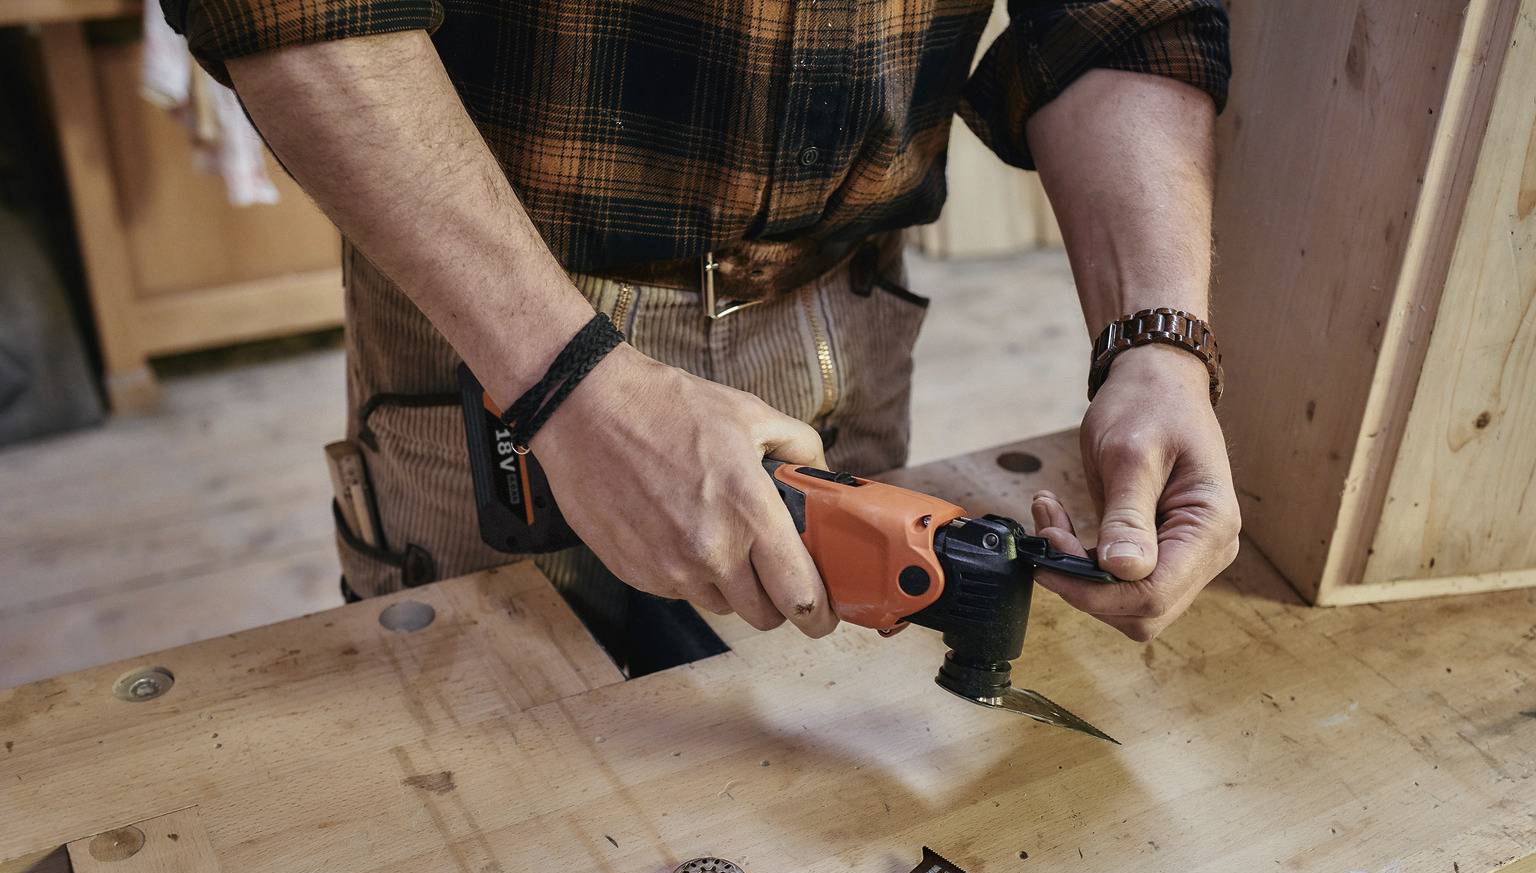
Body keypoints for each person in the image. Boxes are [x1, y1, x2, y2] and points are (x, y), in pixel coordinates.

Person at [162, 0, 1240, 644]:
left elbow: (1124, 14)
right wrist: (563, 380)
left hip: (842, 305)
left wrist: (1156, 345)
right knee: (487, 783)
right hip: (496, 327)